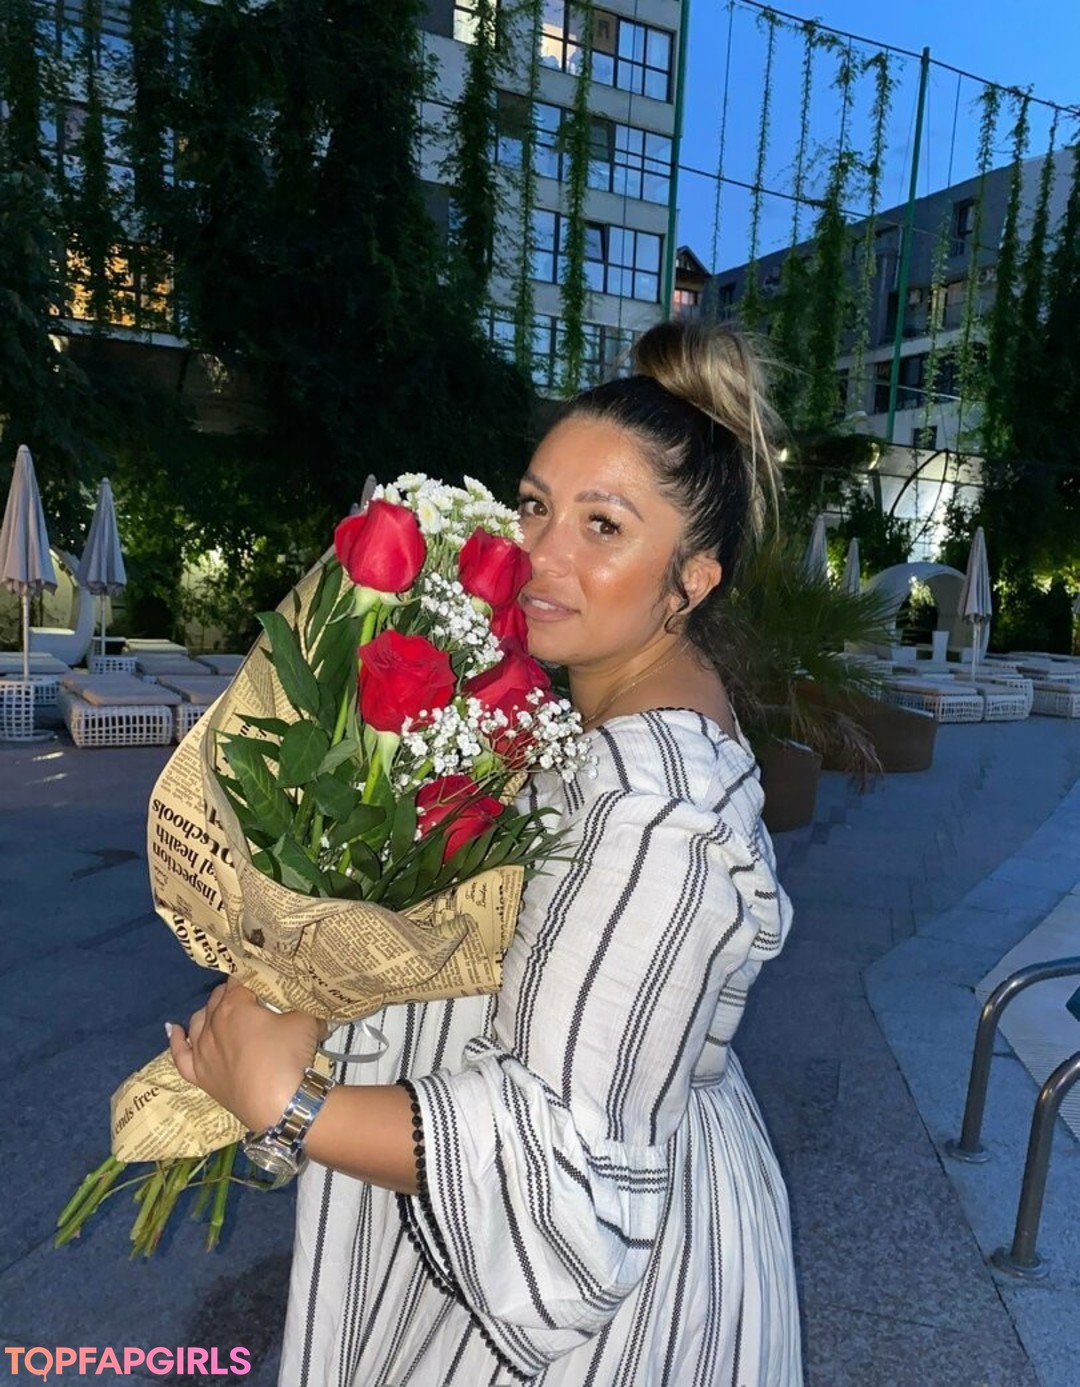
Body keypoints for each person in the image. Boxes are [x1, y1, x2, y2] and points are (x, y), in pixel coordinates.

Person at [169, 319, 803, 1386]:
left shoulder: (658, 816)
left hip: (588, 1317)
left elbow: (570, 1168)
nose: (541, 554)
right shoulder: (594, 717)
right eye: (536, 505)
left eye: (603, 525)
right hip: (486, 1216)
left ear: (693, 579)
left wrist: (291, 1106)